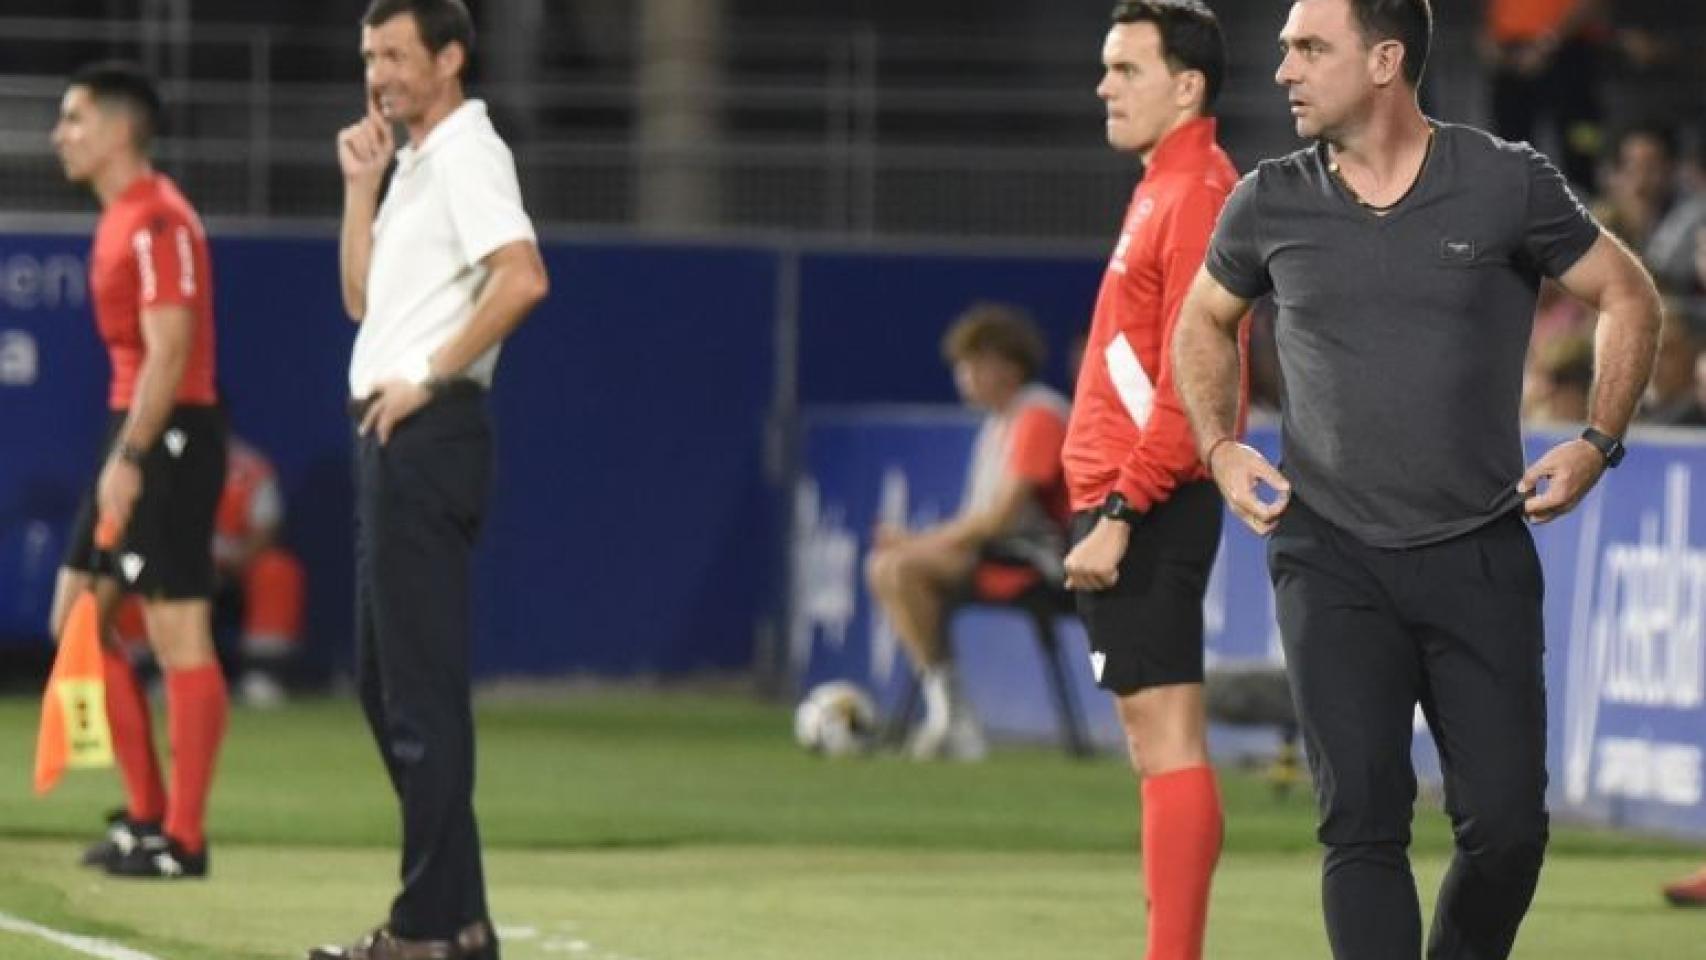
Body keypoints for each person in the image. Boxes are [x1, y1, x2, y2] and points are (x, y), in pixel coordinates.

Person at [1170, 1, 1663, 958]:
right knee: (1361, 824)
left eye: (1310, 48)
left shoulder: (1504, 180)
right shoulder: (1268, 199)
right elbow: (1202, 320)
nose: (1283, 70)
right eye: (1286, 49)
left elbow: (1627, 294)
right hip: (1328, 554)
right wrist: (1220, 446)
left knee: (1507, 832)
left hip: (1478, 549)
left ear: (1385, 59)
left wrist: (1598, 441)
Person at [308, 2, 549, 958]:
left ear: (450, 58)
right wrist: (360, 187)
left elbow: (523, 277)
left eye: (396, 54)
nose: (378, 73)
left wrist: (432, 376)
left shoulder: (467, 152)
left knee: (418, 697)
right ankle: (460, 921)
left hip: (427, 432)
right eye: (370, 55)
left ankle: (424, 930)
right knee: (389, 689)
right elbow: (361, 301)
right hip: (392, 431)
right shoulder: (414, 162)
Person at [1058, 3, 1241, 958]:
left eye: (1126, 68)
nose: (1105, 86)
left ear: (1187, 85)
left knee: (1166, 734)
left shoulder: (1198, 191)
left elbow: (1194, 378)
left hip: (1149, 497)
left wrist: (1124, 508)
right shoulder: (1166, 185)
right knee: (1150, 734)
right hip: (1128, 491)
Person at [49, 61, 230, 881]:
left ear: (121, 130)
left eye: (75, 119)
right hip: (134, 427)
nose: (60, 135)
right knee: (77, 620)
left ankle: (183, 840)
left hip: (170, 433)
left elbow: (172, 350)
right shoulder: (121, 216)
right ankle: (146, 816)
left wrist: (131, 456)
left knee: (176, 628)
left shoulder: (160, 220)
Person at [863, 302, 1070, 762]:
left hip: (1043, 562)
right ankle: (948, 710)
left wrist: (917, 543)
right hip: (1002, 553)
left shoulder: (1038, 417)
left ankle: (954, 716)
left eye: (973, 365)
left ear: (1007, 367)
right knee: (886, 567)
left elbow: (999, 520)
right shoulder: (998, 424)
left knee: (902, 568)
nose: (964, 377)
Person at [214, 435, 307, 705]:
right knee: (131, 569)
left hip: (235, 569)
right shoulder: (152, 459)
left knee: (277, 570)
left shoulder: (249, 468)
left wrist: (231, 560)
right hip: (177, 568)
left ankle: (265, 673)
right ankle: (149, 674)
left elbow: (266, 530)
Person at [1480, 0, 1605, 188]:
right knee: (1511, 142)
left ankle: (1586, 191)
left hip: (1571, 47)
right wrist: (1489, 32)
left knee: (1579, 136)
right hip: (1509, 51)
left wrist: (1550, 41)